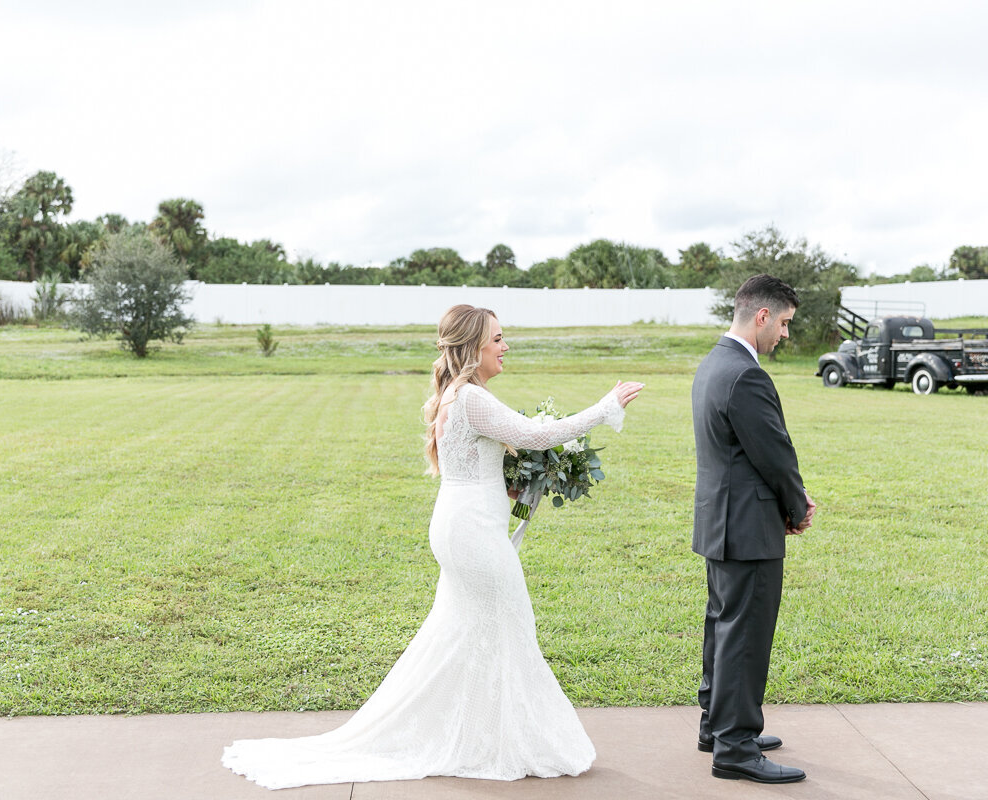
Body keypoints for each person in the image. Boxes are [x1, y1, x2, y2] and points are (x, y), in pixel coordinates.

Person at [222, 304, 644, 789]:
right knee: (511, 624)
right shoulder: (471, 399)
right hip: (470, 534)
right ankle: (502, 743)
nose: (507, 347)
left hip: (462, 524)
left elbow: (473, 467)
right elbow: (535, 435)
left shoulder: (458, 396)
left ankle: (481, 735)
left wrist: (514, 486)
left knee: (466, 633)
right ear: (473, 347)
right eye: (498, 339)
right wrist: (605, 408)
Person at [691, 274, 816, 784]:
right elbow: (775, 454)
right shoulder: (747, 374)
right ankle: (736, 748)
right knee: (744, 635)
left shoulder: (712, 364)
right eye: (784, 323)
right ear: (761, 316)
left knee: (723, 627)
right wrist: (797, 505)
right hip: (747, 526)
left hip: (721, 521)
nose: (785, 334)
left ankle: (716, 726)